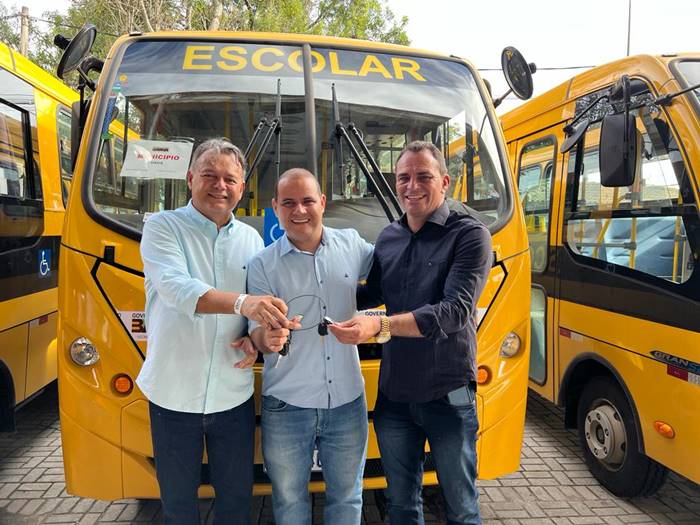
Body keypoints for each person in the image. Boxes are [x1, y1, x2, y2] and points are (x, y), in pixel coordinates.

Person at [330, 141, 492, 525]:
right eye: (403, 178)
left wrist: (380, 325)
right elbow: (370, 293)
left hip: (448, 395)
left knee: (461, 509)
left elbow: (454, 312)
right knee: (401, 505)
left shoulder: (470, 236)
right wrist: (308, 290)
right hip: (395, 396)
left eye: (423, 177)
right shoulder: (389, 236)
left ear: (445, 182)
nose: (411, 186)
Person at [138, 138, 294, 525]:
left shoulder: (251, 240)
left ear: (242, 188)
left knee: (236, 501)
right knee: (178, 505)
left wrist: (258, 337)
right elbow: (177, 289)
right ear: (191, 178)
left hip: (232, 396)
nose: (220, 186)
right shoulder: (162, 227)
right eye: (210, 175)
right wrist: (244, 303)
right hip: (173, 396)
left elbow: (255, 316)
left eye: (230, 179)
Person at [248, 168, 374, 525]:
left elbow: (397, 263)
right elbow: (256, 334)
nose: (299, 210)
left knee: (348, 498)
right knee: (289, 502)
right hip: (287, 405)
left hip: (347, 402)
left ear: (322, 203)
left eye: (307, 201)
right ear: (275, 207)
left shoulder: (353, 245)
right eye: (288, 203)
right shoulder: (262, 264)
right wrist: (268, 339)